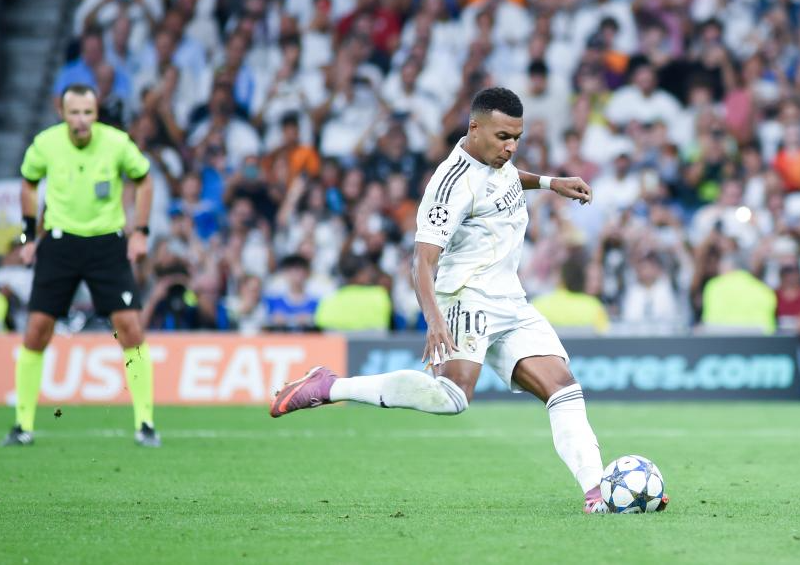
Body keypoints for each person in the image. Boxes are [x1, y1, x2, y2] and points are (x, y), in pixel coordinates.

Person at [271, 87, 662, 514]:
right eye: (502, 137)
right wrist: (434, 319)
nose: (510, 147)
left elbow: (506, 180)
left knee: (564, 388)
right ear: (474, 128)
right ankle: (330, 386)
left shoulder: (497, 162)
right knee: (453, 397)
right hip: (467, 296)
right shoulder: (449, 185)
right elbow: (421, 261)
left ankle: (596, 494)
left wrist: (551, 183)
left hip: (510, 298)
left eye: (517, 138)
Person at [1, 85, 159, 447]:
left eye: (88, 112)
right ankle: (23, 425)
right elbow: (28, 185)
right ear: (62, 112)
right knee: (36, 329)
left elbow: (144, 180)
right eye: (74, 112)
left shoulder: (117, 143)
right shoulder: (45, 144)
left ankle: (146, 423)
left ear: (96, 113)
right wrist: (29, 237)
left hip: (107, 243)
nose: (82, 120)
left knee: (130, 327)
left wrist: (140, 232)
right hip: (60, 243)